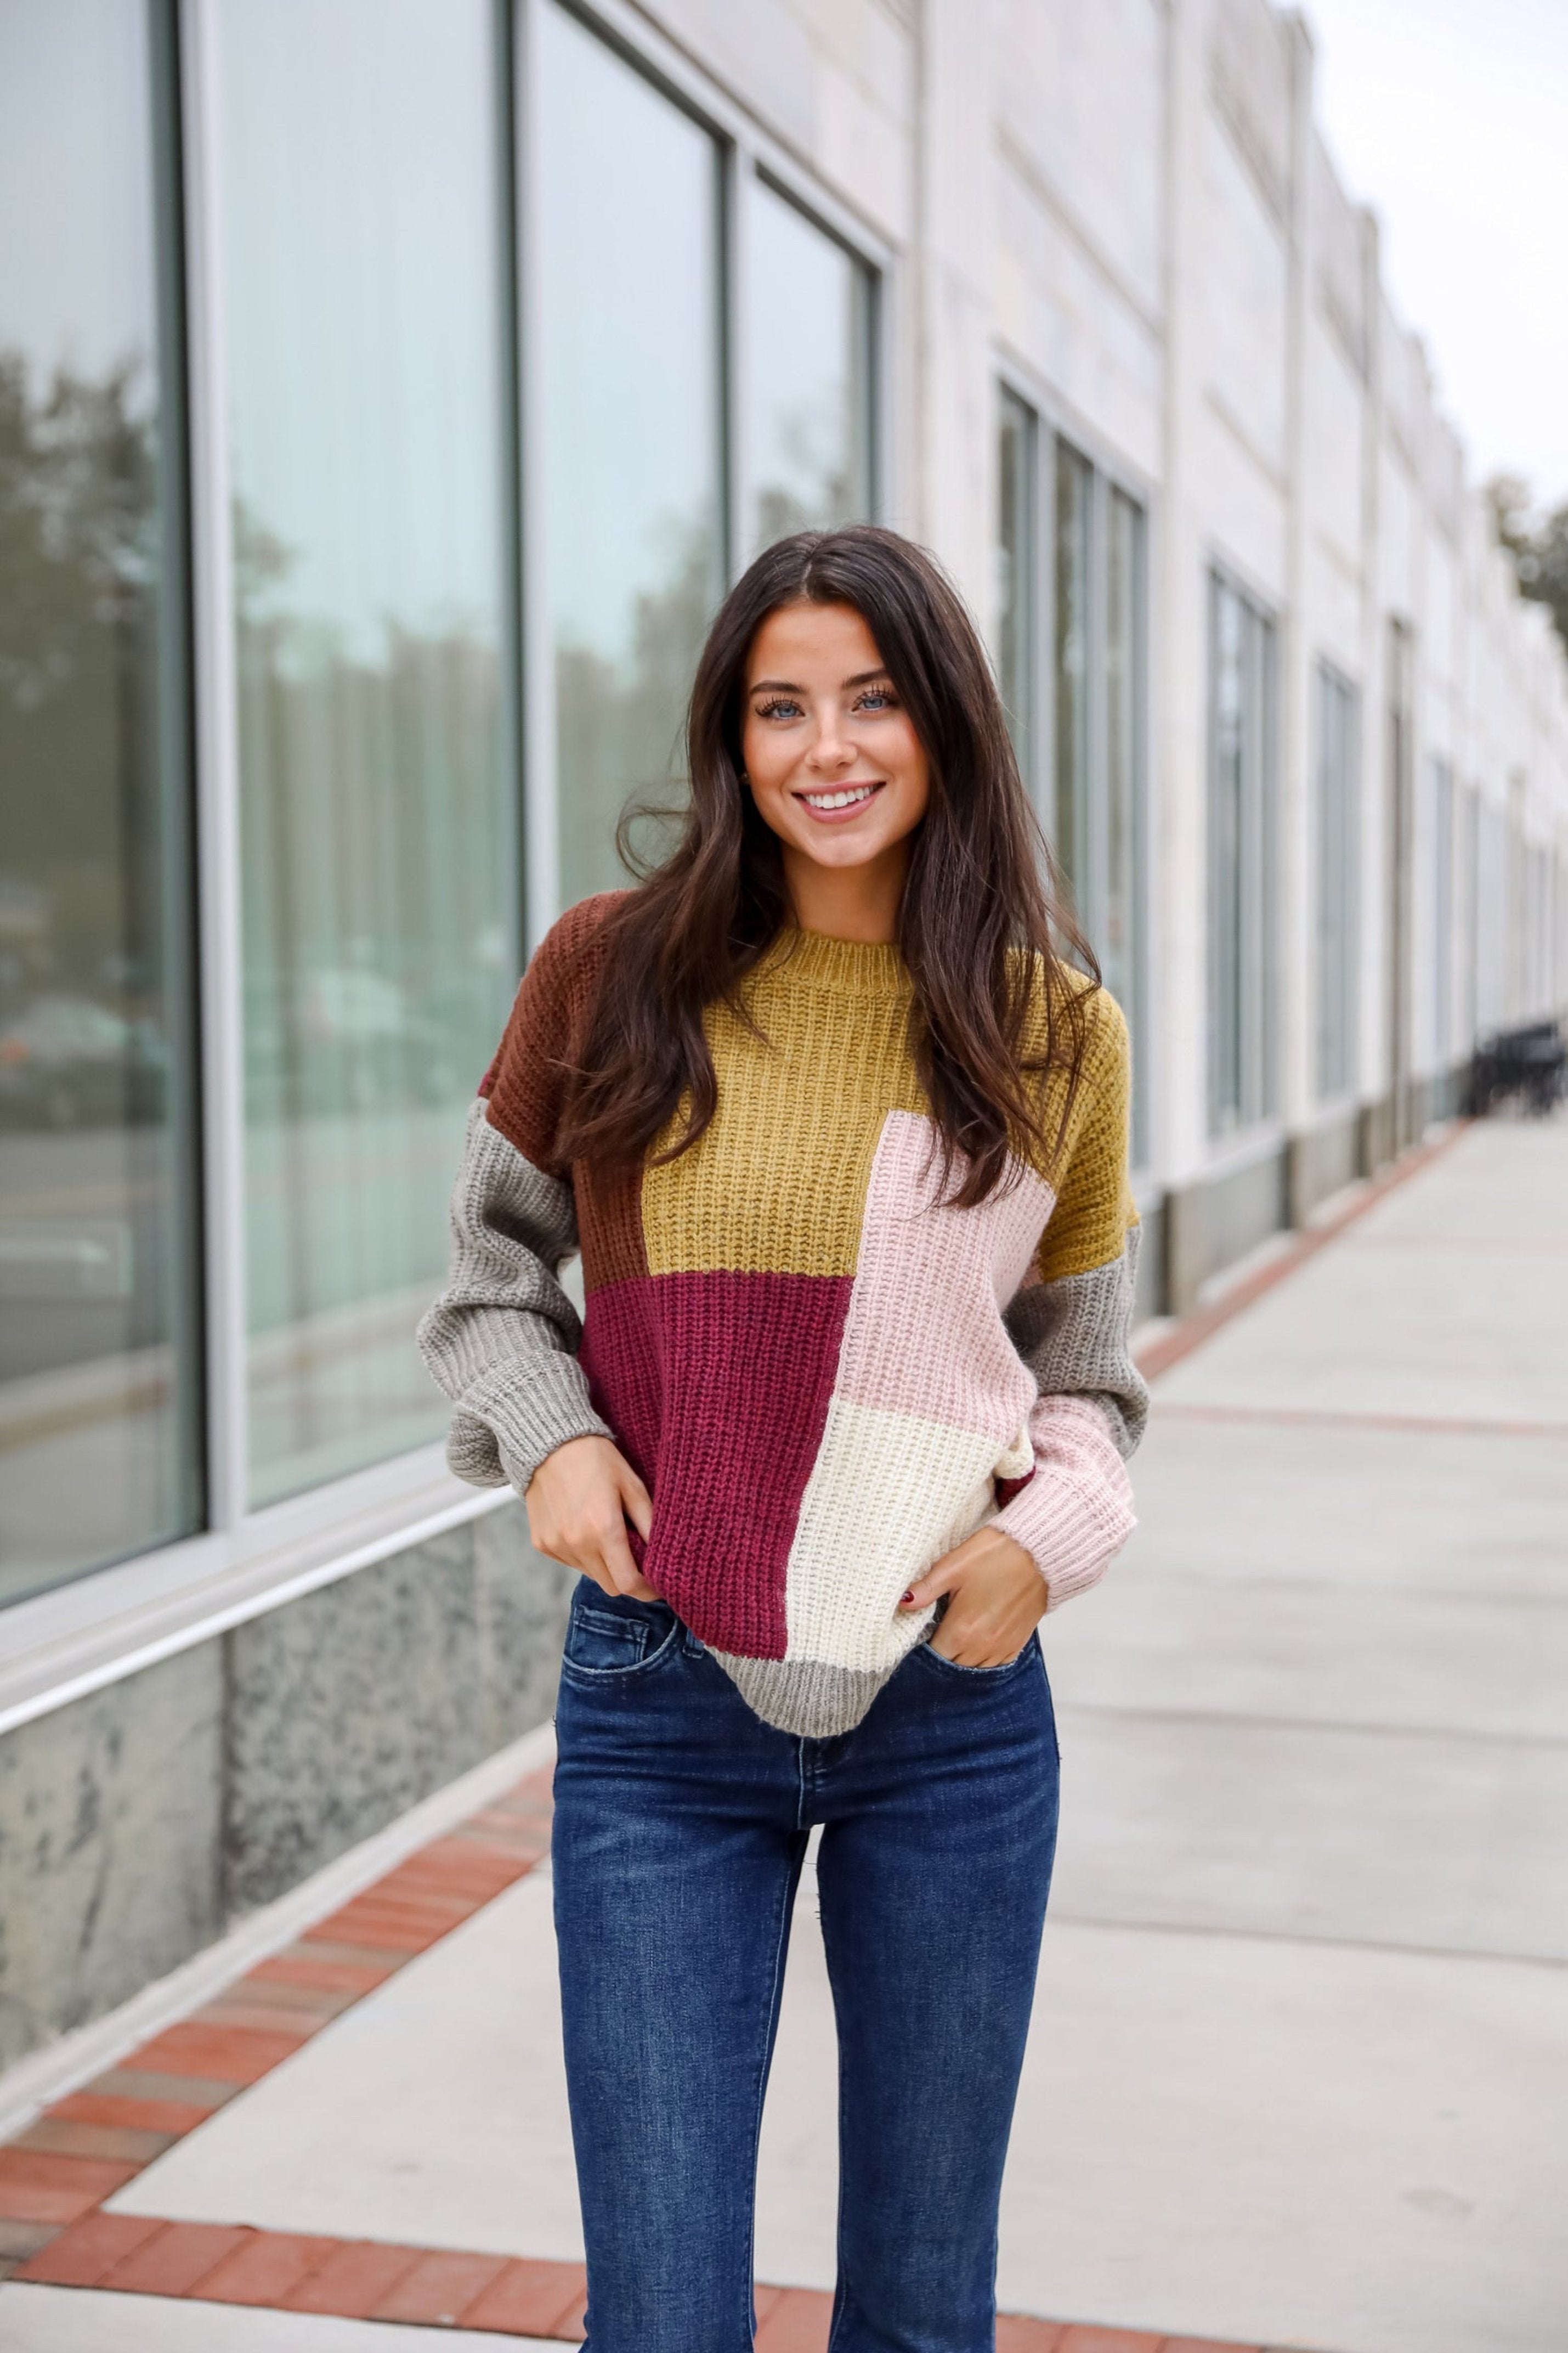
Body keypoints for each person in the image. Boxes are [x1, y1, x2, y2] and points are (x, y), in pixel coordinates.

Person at [418, 524, 1147, 2353]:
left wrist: (1041, 1537)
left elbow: (1084, 1381)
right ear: (729, 739)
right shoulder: (609, 972)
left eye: (872, 700)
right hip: (660, 1696)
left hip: (951, 1717)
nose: (828, 748)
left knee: (919, 2309)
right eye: (779, 707)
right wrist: (552, 1439)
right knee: (663, 2315)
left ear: (944, 723)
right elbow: (488, 1281)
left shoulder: (1055, 1031)